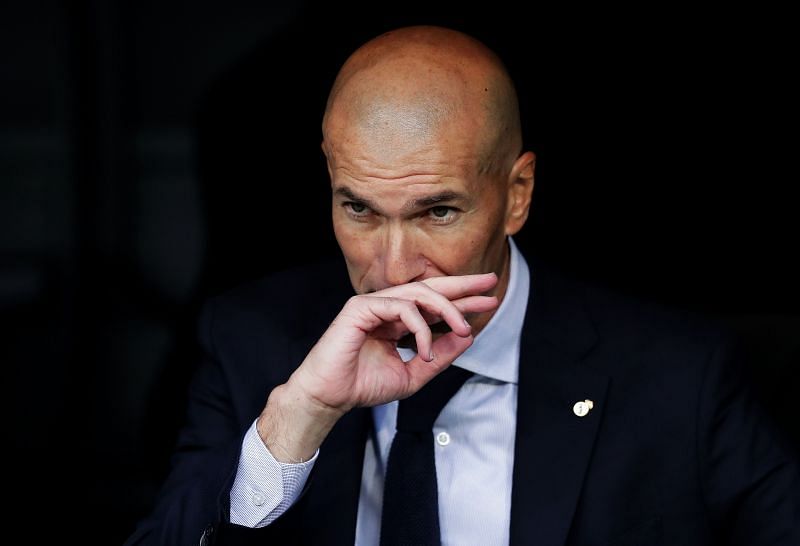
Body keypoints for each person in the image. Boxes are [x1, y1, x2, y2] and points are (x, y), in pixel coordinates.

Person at [125, 26, 798, 545]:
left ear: (517, 196)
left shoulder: (679, 377)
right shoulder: (251, 343)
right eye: (358, 208)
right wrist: (295, 422)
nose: (392, 270)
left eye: (437, 212)